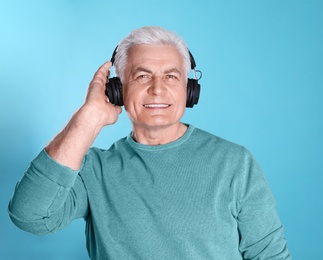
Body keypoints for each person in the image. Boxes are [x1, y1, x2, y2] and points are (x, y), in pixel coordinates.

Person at [8, 26, 291, 259]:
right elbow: (30, 216)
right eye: (142, 76)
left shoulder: (235, 163)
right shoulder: (94, 170)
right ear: (118, 90)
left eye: (171, 76)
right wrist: (89, 117)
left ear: (189, 90)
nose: (158, 89)